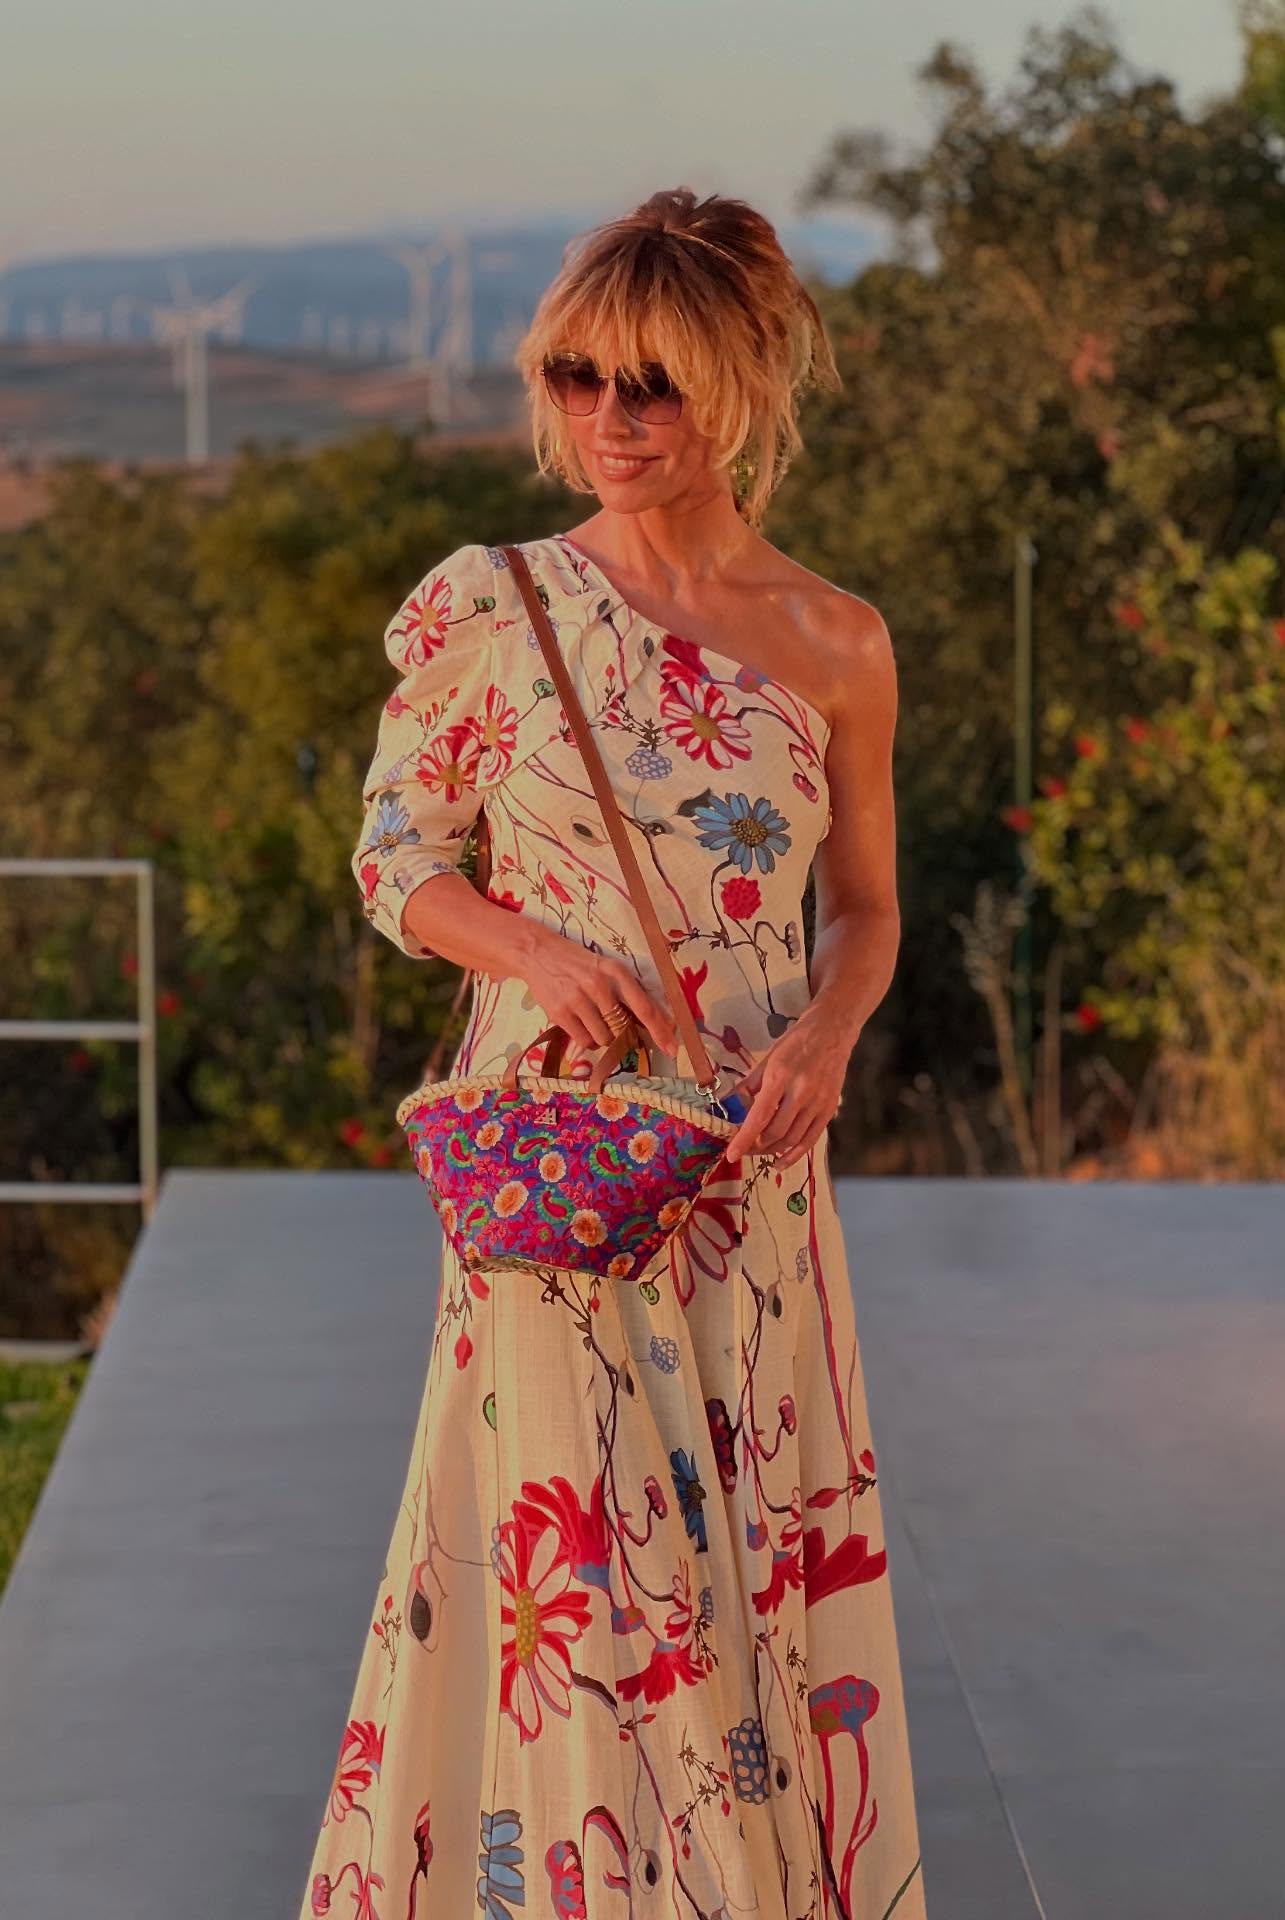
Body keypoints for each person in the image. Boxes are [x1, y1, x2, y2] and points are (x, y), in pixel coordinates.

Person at [298, 187, 928, 1920]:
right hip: (563, 1172)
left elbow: (868, 909)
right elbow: (395, 860)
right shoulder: (493, 608)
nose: (608, 419)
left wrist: (829, 1034)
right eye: (576, 378)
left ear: (741, 382)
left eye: (650, 383)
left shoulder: (840, 641)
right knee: (580, 1579)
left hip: (753, 1177)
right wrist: (533, 951)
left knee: (735, 1564)